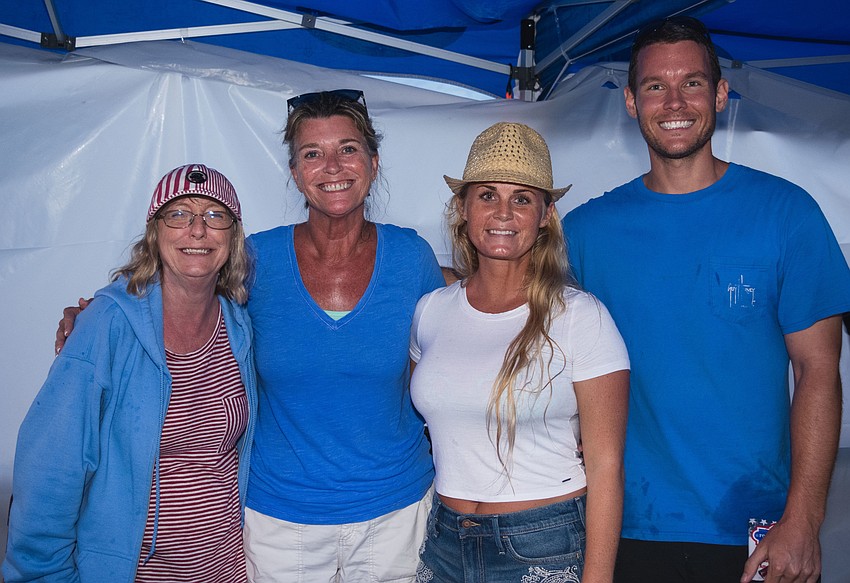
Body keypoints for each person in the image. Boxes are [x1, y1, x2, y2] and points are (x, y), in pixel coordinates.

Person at [54, 90, 445, 581]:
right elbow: (174, 283)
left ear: (373, 160)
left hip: (397, 512)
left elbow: (455, 327)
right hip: (280, 520)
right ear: (295, 172)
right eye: (312, 154)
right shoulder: (254, 262)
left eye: (347, 148)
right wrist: (97, 309)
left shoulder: (412, 257)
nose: (332, 166)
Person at [561, 16, 850, 583]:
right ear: (630, 101)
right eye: (654, 86)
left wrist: (803, 520)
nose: (674, 101)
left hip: (754, 527)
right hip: (620, 524)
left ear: (720, 93)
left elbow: (818, 371)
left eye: (691, 82)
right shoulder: (585, 231)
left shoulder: (786, 214)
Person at [4, 164, 257, 582]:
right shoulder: (107, 325)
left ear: (233, 235)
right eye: (178, 214)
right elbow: (51, 468)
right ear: (154, 233)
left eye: (215, 215)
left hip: (229, 569)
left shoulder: (239, 324)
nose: (198, 230)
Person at [410, 122, 630, 583]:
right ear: (463, 208)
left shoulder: (581, 317)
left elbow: (607, 466)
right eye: (487, 194)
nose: (503, 212)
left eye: (522, 198)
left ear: (545, 215)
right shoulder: (430, 311)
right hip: (444, 540)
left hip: (543, 543)